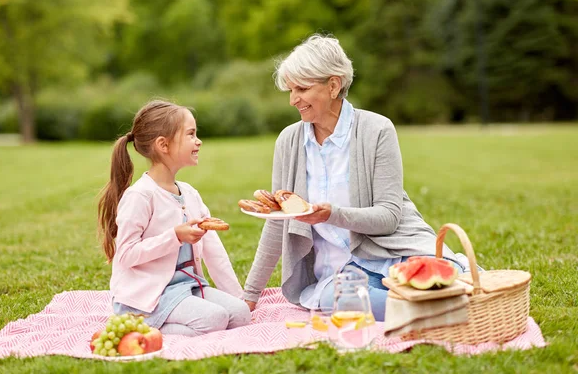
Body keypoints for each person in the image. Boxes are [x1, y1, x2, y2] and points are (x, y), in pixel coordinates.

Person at [242, 34, 468, 321]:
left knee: (443, 281)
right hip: (341, 273)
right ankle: (437, 310)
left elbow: (388, 217)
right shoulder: (288, 141)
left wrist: (331, 215)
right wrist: (250, 296)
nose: (292, 100)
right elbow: (278, 224)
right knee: (341, 298)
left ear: (333, 85)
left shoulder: (377, 129)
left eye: (301, 88)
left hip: (394, 251)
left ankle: (433, 305)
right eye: (290, 90)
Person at [97, 100, 250, 336]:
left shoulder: (190, 194)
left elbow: (213, 251)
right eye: (191, 134)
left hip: (187, 287)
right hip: (150, 295)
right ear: (163, 145)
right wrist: (175, 236)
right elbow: (126, 254)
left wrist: (238, 296)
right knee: (215, 319)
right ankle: (137, 325)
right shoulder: (140, 196)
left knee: (240, 314)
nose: (198, 141)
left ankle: (180, 324)